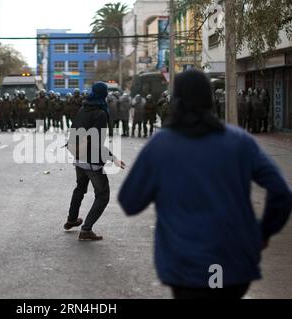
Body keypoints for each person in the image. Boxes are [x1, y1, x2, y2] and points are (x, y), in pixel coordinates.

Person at [118, 69, 292, 299]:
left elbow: (130, 202)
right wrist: (263, 232)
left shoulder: (161, 145)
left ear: (177, 101)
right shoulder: (239, 141)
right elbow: (281, 192)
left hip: (188, 267)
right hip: (234, 263)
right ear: (210, 99)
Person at [65, 82, 126, 241]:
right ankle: (86, 229)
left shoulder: (82, 108)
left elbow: (73, 132)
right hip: (92, 161)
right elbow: (97, 142)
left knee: (80, 188)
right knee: (103, 195)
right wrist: (113, 158)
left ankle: (72, 219)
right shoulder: (100, 113)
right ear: (104, 95)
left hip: (78, 158)